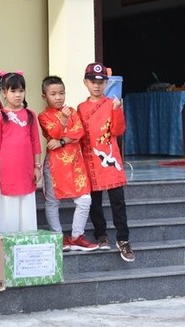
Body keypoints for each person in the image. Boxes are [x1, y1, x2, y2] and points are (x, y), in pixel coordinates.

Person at [77, 62, 135, 262]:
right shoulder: (81, 108)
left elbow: (118, 131)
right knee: (95, 201)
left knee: (118, 201)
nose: (97, 85)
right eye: (93, 81)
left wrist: (118, 110)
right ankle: (100, 233)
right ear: (85, 82)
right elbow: (79, 135)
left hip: (110, 160)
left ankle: (123, 238)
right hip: (90, 159)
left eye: (101, 82)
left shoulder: (112, 103)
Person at [38, 76, 99, 252]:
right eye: (53, 94)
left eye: (61, 93)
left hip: (75, 164)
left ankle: (76, 236)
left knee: (85, 199)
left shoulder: (72, 111)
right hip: (55, 165)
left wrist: (63, 141)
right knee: (52, 202)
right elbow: (53, 132)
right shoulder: (43, 116)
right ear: (45, 96)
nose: (58, 97)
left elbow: (79, 131)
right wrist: (63, 123)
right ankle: (58, 236)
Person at [0, 72, 41, 233]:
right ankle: (8, 240)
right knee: (8, 203)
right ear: (4, 93)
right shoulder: (0, 116)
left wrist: (37, 166)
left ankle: (28, 237)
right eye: (13, 91)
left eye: (21, 90)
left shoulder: (30, 115)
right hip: (7, 168)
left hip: (26, 167)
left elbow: (36, 142)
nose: (18, 95)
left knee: (27, 200)